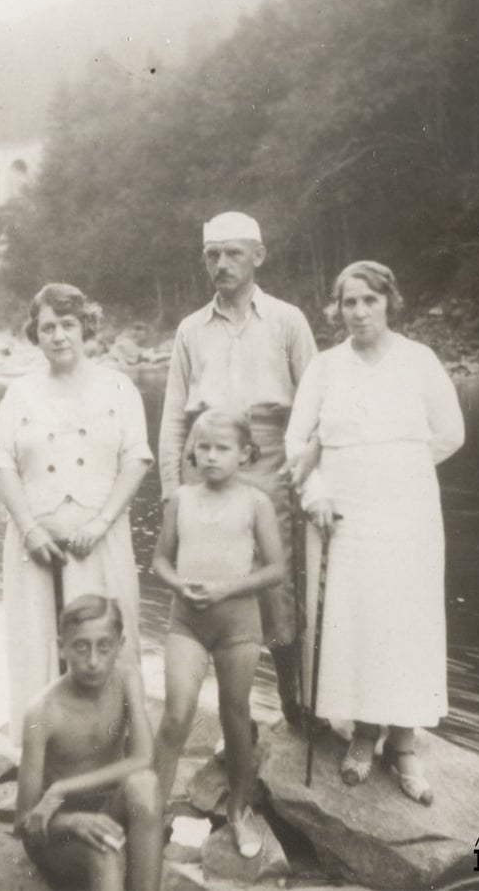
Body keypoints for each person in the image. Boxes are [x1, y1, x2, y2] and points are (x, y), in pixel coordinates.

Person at [286, 261, 464, 804]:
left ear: (390, 302)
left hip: (408, 511)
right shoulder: (325, 367)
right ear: (335, 308)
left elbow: (450, 434)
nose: (360, 312)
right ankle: (364, 733)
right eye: (349, 302)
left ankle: (403, 744)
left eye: (370, 300)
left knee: (406, 620)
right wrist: (317, 492)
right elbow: (297, 442)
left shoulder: (419, 360)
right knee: (357, 620)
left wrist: (400, 469)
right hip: (341, 513)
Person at [158, 211, 317, 726]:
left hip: (269, 461)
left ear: (258, 256)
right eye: (212, 255)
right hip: (202, 463)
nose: (221, 264)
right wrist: (171, 489)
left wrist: (307, 476)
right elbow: (173, 414)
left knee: (275, 585)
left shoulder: (288, 321)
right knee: (205, 580)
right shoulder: (190, 329)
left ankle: (294, 700)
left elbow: (317, 404)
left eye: (233, 253)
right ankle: (229, 712)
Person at [0, 283, 153, 742]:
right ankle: (42, 758)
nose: (58, 335)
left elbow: (137, 459)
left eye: (68, 324)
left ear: (86, 328)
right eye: (47, 327)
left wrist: (100, 522)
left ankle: (111, 754)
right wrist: (30, 528)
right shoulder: (20, 392)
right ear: (35, 334)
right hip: (35, 549)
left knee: (106, 644)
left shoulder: (118, 387)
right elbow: (1, 464)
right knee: (37, 646)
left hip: (101, 542)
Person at [152, 410, 284, 858]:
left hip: (238, 623)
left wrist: (227, 588)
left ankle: (238, 812)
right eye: (203, 447)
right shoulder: (181, 499)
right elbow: (160, 561)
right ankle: (151, 814)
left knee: (235, 714)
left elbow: (275, 568)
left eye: (222, 448)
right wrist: (178, 584)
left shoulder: (256, 502)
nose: (210, 456)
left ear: (245, 454)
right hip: (187, 620)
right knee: (176, 715)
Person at [16, 594, 163, 891]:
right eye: (81, 647)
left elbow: (144, 758)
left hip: (107, 809)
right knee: (106, 851)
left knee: (145, 785)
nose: (93, 661)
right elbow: (23, 821)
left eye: (104, 647)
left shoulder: (127, 679)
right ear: (62, 648)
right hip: (57, 829)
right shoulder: (42, 712)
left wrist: (61, 787)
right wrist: (73, 821)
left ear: (120, 645)